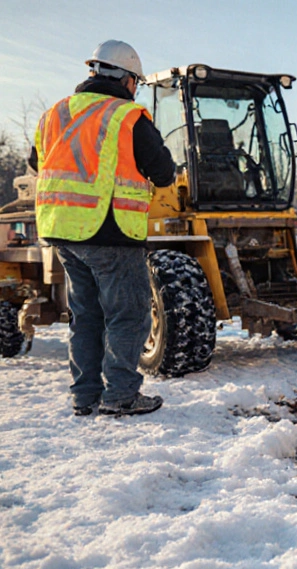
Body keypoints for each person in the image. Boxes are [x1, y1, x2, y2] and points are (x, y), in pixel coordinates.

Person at [32, 40, 175, 417]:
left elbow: (38, 163)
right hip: (110, 231)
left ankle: (85, 396)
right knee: (127, 314)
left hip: (63, 231)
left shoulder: (55, 114)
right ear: (128, 79)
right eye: (137, 83)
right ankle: (121, 395)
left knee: (86, 316)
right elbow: (163, 172)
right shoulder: (126, 116)